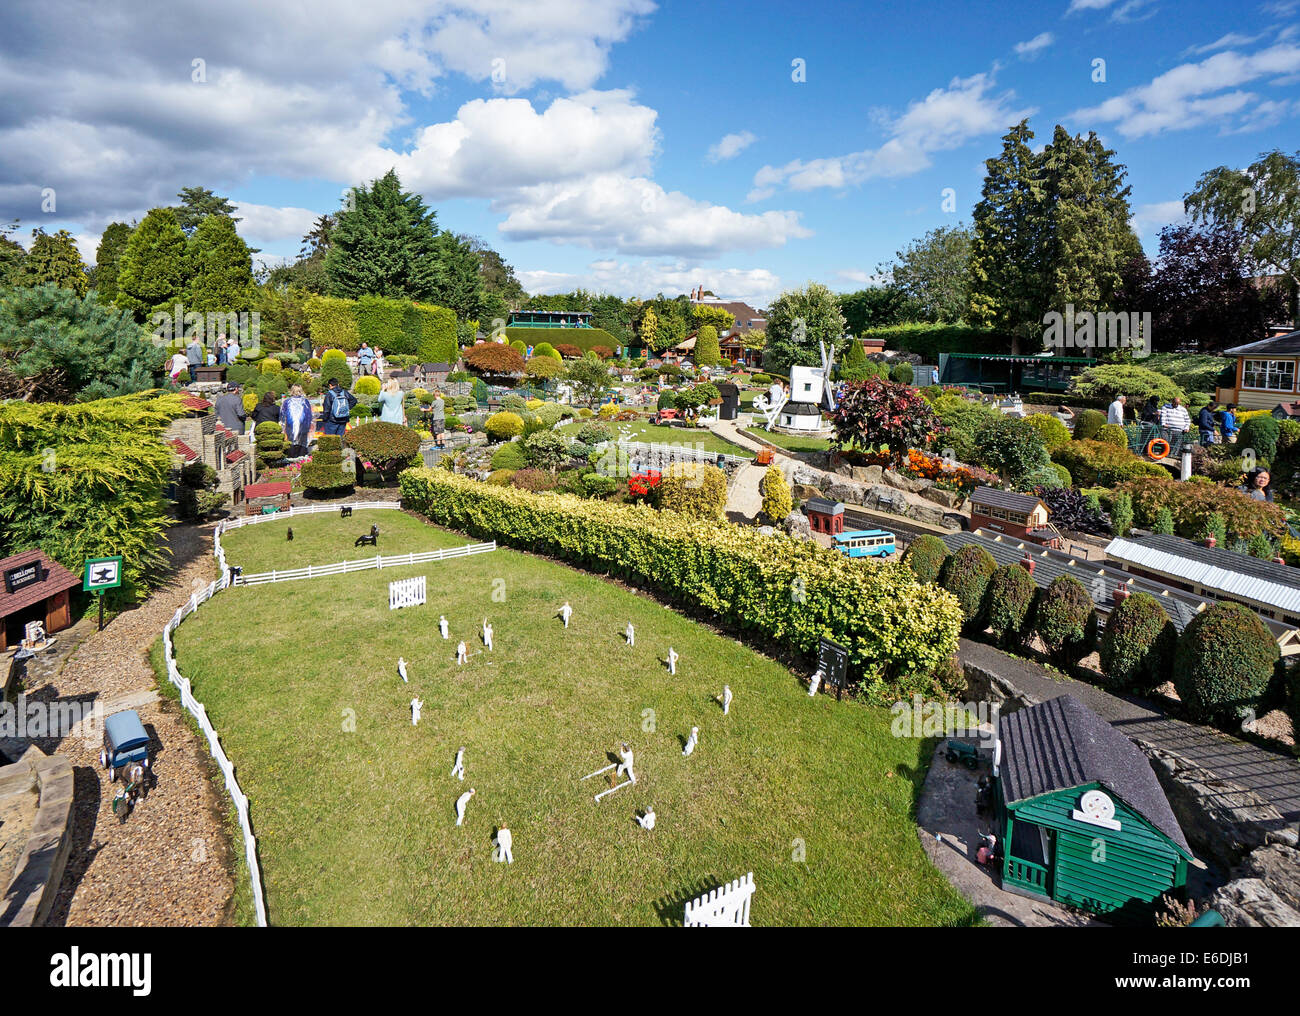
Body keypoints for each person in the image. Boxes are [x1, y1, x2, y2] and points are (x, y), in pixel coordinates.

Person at [279, 383, 314, 456]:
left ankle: (292, 461)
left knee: (291, 443)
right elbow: (309, 415)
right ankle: (302, 461)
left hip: (290, 426)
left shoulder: (286, 402)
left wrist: (282, 426)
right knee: (302, 443)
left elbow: (282, 416)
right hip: (304, 426)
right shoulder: (305, 401)